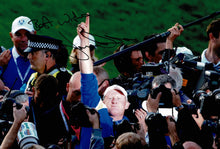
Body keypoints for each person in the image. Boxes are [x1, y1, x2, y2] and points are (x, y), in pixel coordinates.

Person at [28, 74, 68, 147]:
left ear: (56, 95)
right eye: (39, 99)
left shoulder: (63, 110)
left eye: (47, 101)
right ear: (33, 90)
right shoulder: (25, 107)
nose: (41, 105)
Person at [0, 16, 36, 90]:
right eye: (18, 35)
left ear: (34, 34)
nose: (23, 39)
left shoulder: (42, 59)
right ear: (11, 36)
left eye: (27, 34)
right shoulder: (3, 59)